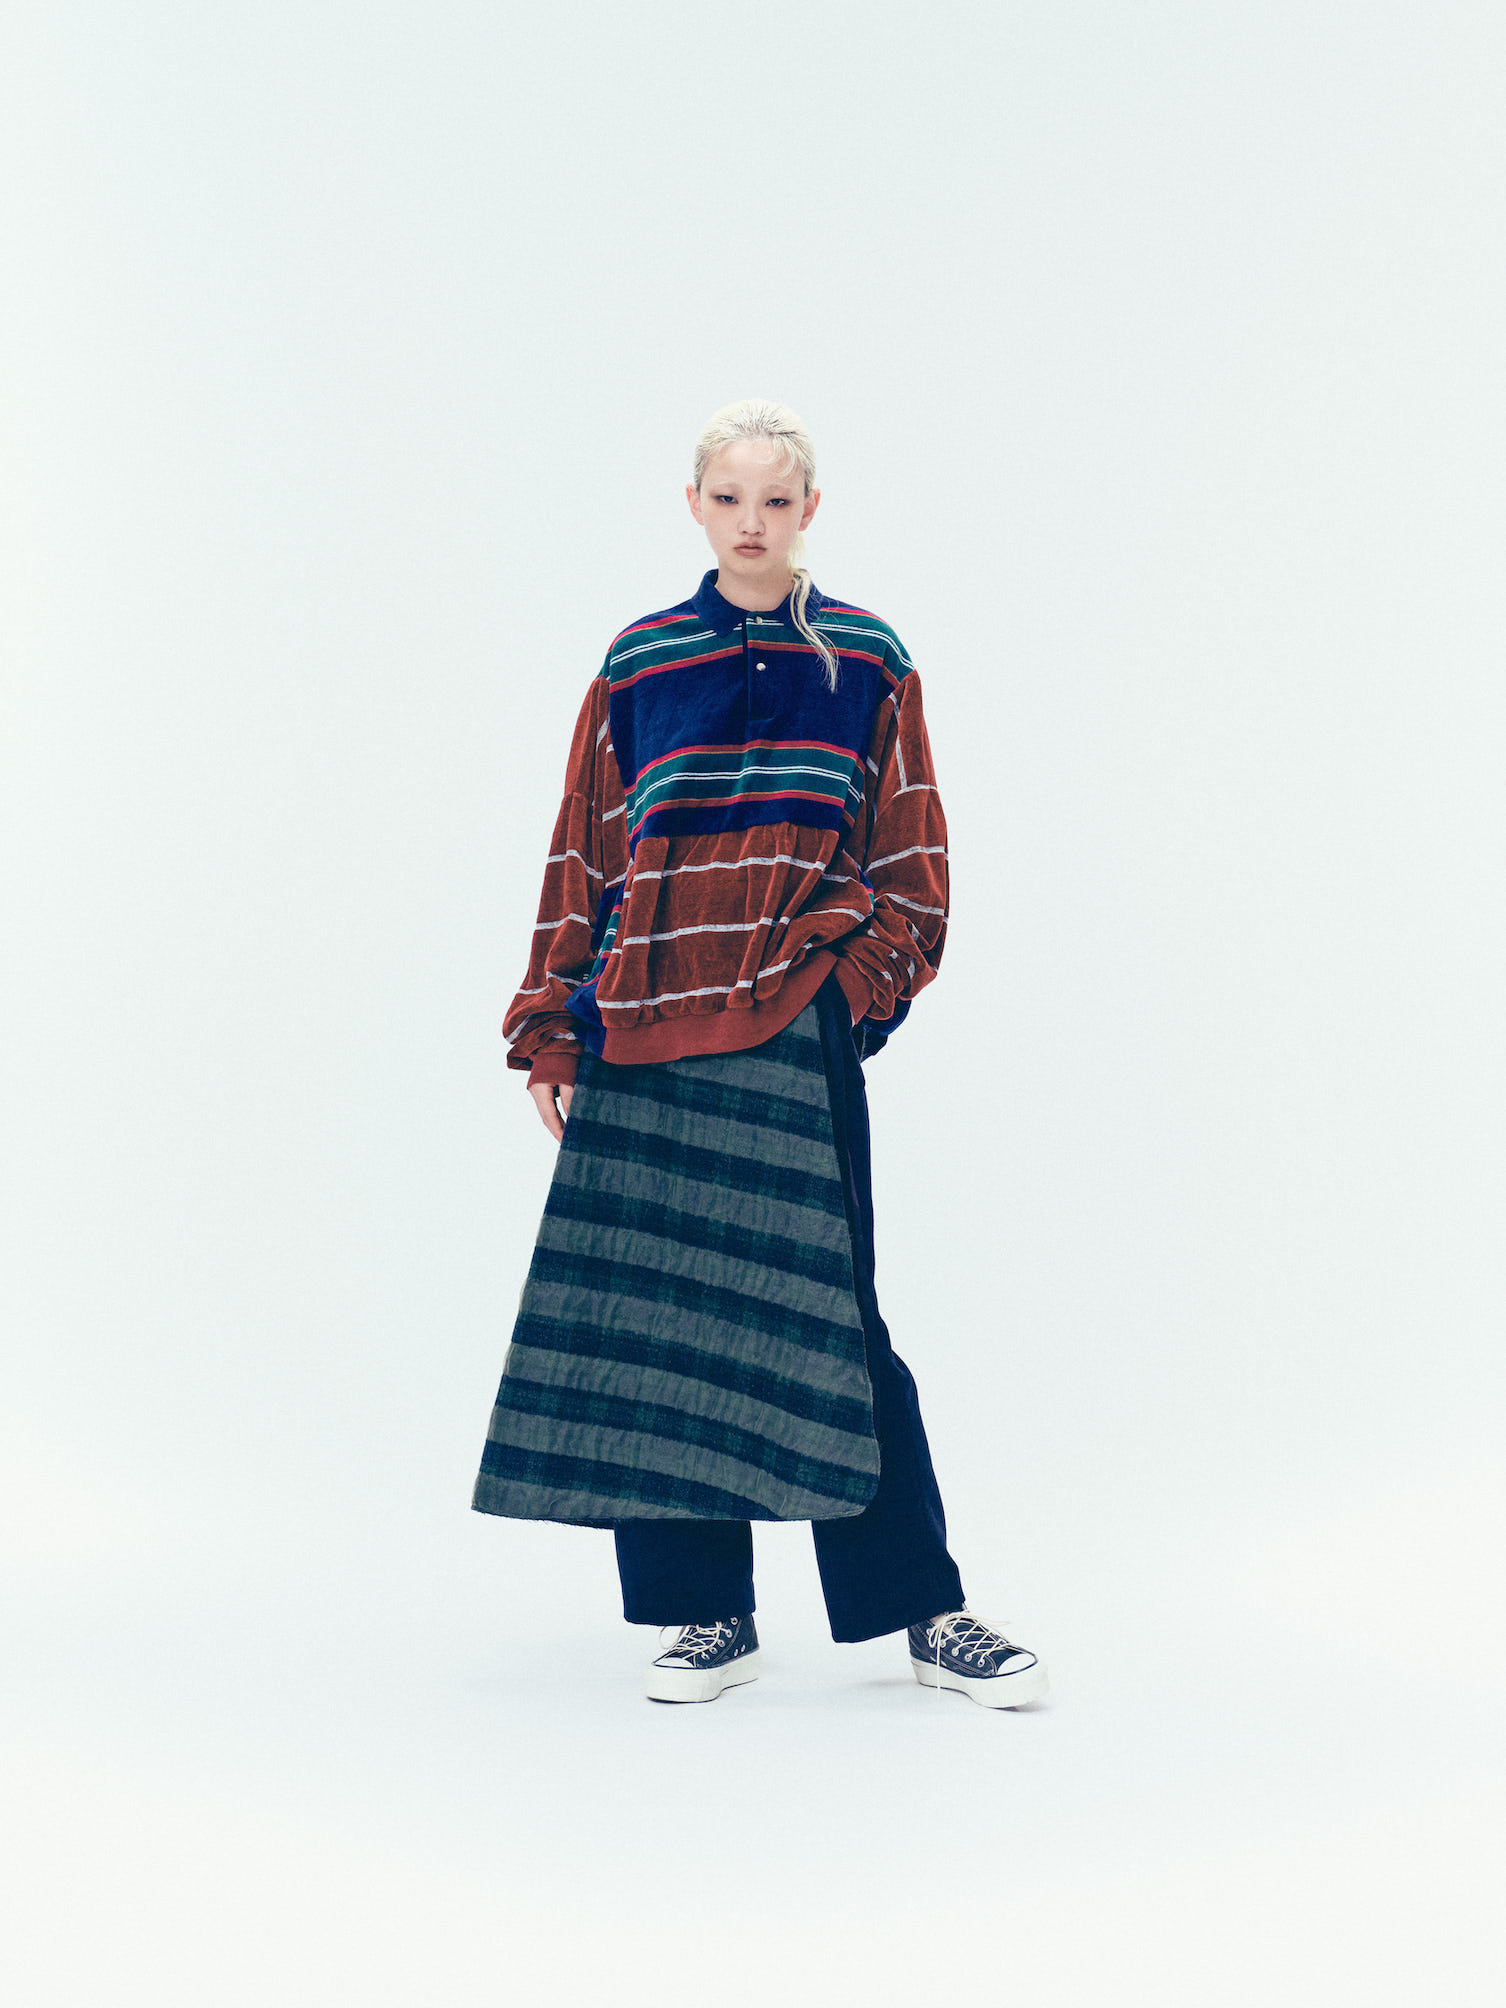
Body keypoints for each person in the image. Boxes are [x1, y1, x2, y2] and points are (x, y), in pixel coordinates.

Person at [470, 397, 1049, 1710]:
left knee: (838, 1320)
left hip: (792, 1018)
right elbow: (586, 849)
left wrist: (847, 994)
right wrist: (551, 1023)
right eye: (727, 499)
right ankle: (705, 1617)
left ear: (809, 511)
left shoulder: (867, 657)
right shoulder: (639, 661)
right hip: (642, 1025)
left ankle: (927, 1614)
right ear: (694, 506)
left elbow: (911, 858)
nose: (750, 522)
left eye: (774, 501)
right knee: (656, 1318)